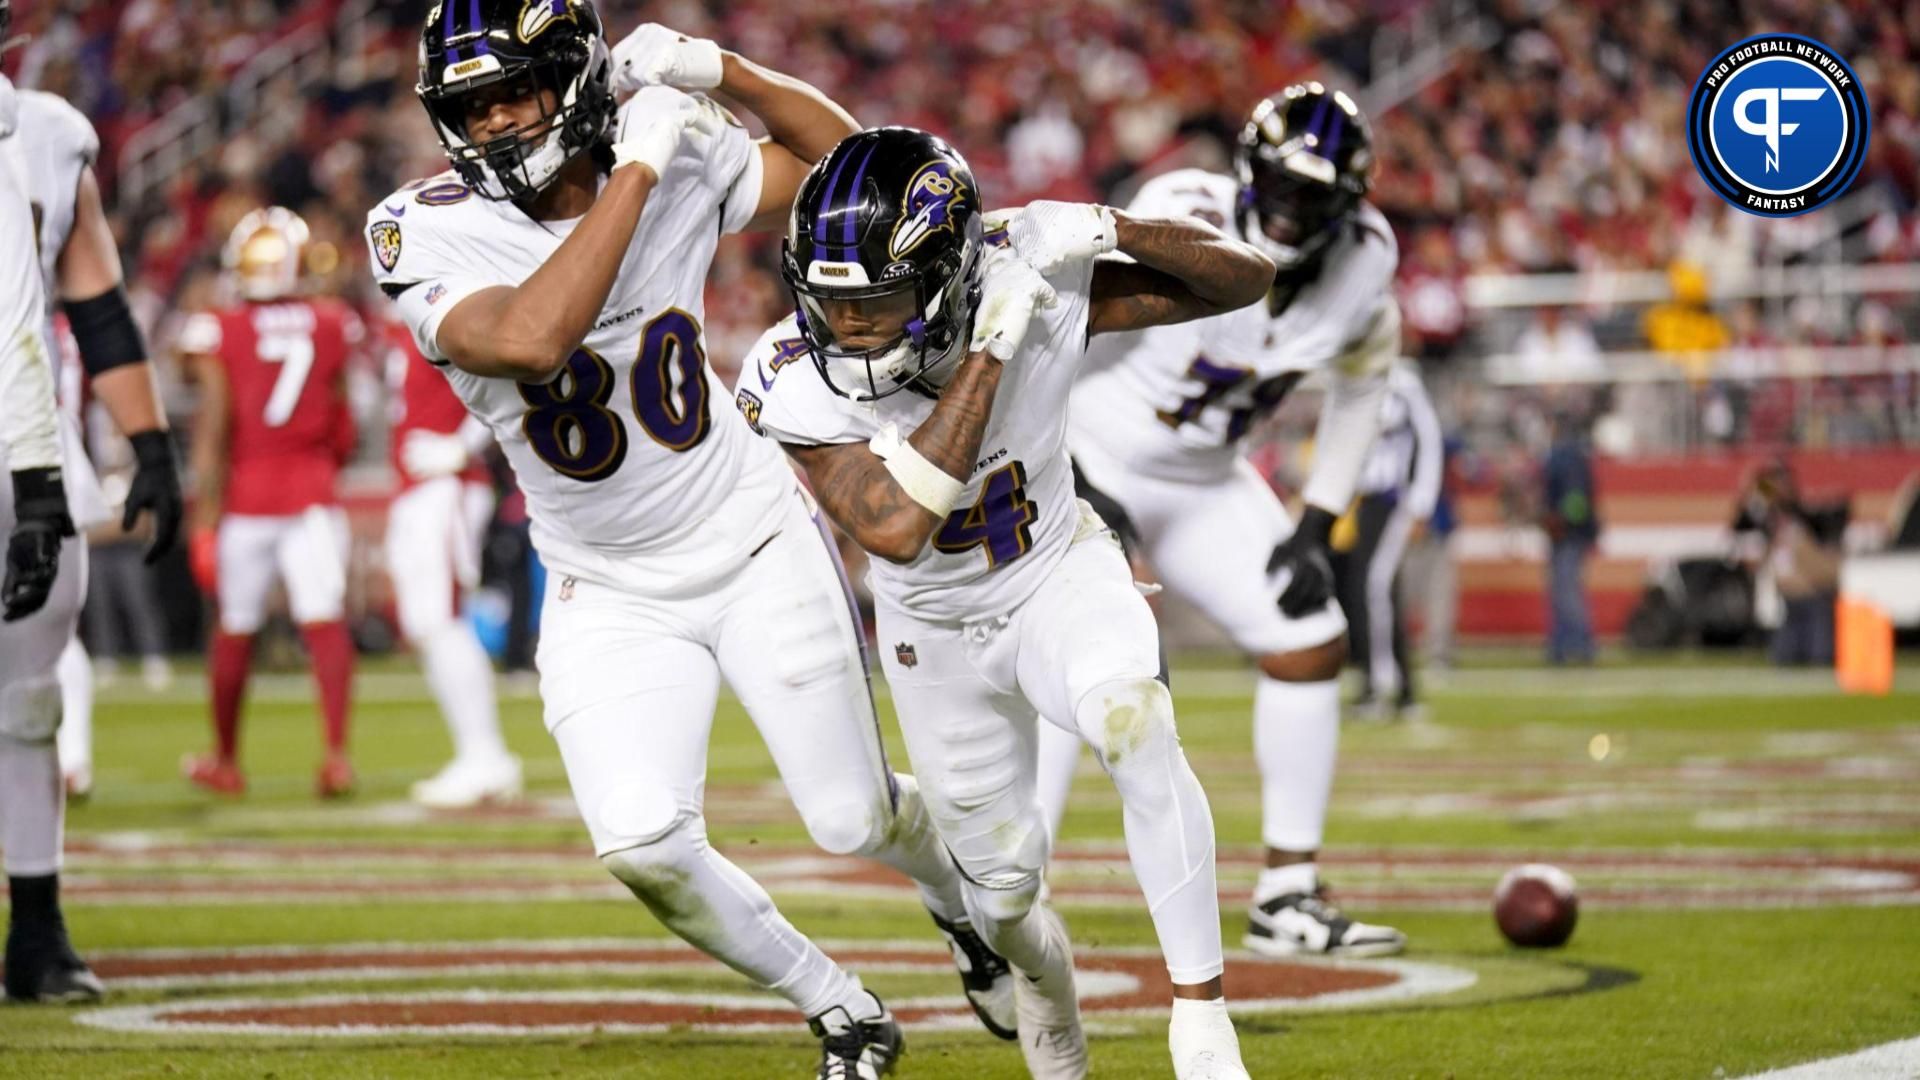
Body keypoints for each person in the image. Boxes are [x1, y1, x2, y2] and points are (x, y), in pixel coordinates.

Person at [366, 9, 1012, 1076]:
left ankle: (958, 901)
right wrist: (643, 166)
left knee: (851, 818)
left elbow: (849, 174)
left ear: (572, 78)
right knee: (641, 842)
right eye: (470, 104)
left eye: (515, 91)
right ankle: (842, 1007)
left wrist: (726, 71)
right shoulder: (419, 226)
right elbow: (533, 339)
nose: (493, 122)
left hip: (748, 534)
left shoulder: (662, 150)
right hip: (605, 582)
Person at [742, 125, 1272, 1080]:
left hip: (1055, 571)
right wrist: (991, 349)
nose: (849, 328)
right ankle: (1044, 984)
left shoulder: (1028, 278)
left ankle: (1203, 1022)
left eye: (879, 301)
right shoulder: (787, 372)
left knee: (1133, 718)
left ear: (944, 277)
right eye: (832, 302)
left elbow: (1244, 279)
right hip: (931, 630)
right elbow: (897, 525)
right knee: (1005, 899)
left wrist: (1112, 226)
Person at [1039, 83, 1408, 959]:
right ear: (1246, 175)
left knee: (1311, 633)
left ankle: (1286, 893)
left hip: (1204, 476)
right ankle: (1017, 894)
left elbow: (1366, 377)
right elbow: (1062, 326)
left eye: (1312, 198)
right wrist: (1073, 474)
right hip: (1084, 448)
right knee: (1066, 658)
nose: (1288, 212)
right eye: (1278, 187)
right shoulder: (1181, 211)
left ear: (1349, 206)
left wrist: (1318, 520)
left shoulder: (1364, 267)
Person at [2, 0, 184, 1002]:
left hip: (22, 437)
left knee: (30, 695)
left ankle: (37, 927)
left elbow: (99, 307)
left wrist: (152, 446)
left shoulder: (49, 133)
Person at [178, 207, 361, 799]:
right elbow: (344, 423)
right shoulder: (332, 321)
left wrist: (203, 517)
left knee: (235, 628)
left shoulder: (221, 326)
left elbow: (215, 426)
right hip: (311, 492)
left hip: (247, 498)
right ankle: (336, 756)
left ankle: (227, 760)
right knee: (324, 621)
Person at [379, 318, 520, 808]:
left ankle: (485, 756)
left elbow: (501, 374)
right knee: (427, 623)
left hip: (446, 486)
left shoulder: (439, 301)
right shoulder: (402, 314)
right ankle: (479, 755)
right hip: (420, 486)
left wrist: (461, 446)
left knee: (443, 620)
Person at [1337, 357, 1441, 717]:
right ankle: (1396, 688)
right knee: (1368, 591)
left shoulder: (1404, 381)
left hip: (1394, 500)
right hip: (1364, 503)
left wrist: (1421, 501)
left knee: (1374, 588)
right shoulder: (1351, 375)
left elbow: (1429, 440)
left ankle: (1383, 686)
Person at [1732, 459, 1846, 666]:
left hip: (1810, 586)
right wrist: (1759, 491)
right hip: (1789, 590)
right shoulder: (1769, 511)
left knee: (1818, 650)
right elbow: (1744, 522)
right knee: (1786, 652)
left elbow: (1812, 525)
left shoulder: (1797, 512)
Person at [1542, 409, 1600, 664]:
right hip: (1569, 534)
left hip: (1569, 535)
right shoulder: (1574, 454)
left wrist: (1561, 521)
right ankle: (1563, 646)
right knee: (1562, 590)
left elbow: (1576, 499)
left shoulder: (1566, 455)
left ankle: (1577, 644)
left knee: (1566, 591)